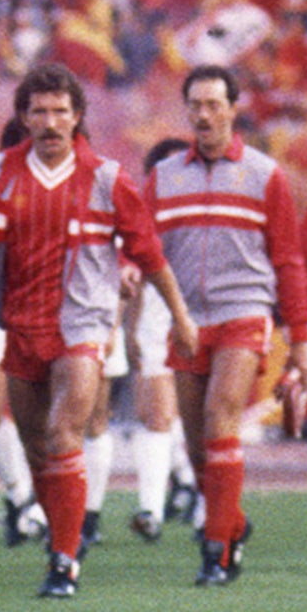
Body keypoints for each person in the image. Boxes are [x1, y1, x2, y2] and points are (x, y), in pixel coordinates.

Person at [0, 63, 197, 598]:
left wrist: (182, 318)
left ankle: (64, 560)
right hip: (21, 323)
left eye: (60, 111)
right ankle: (62, 535)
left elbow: (148, 253)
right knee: (36, 448)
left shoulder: (106, 177)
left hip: (85, 322)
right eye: (40, 111)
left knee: (62, 434)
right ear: (24, 117)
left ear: (77, 116)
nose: (50, 122)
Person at [146, 64, 307, 586]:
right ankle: (232, 522)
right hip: (186, 320)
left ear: (233, 109)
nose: (203, 114)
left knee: (223, 418)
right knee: (198, 448)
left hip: (244, 311)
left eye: (213, 105)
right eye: (195, 105)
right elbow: (142, 245)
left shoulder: (265, 175)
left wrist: (303, 338)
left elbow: (288, 260)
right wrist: (130, 275)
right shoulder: (164, 176)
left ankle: (216, 551)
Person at [127, 138, 202, 540]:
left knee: (199, 415)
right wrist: (132, 326)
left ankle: (199, 491)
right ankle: (151, 509)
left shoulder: (203, 209)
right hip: (157, 322)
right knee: (155, 412)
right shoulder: (144, 210)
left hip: (205, 319)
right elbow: (136, 270)